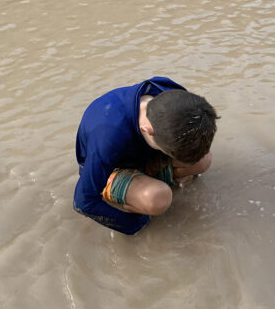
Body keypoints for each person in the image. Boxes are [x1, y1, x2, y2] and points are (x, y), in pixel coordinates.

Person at [73, 77, 218, 234]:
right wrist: (137, 223)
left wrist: (187, 163)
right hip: (114, 166)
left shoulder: (179, 99)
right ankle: (122, 194)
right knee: (157, 199)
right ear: (147, 130)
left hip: (144, 154)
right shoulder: (108, 135)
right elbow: (83, 201)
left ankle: (154, 180)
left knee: (203, 160)